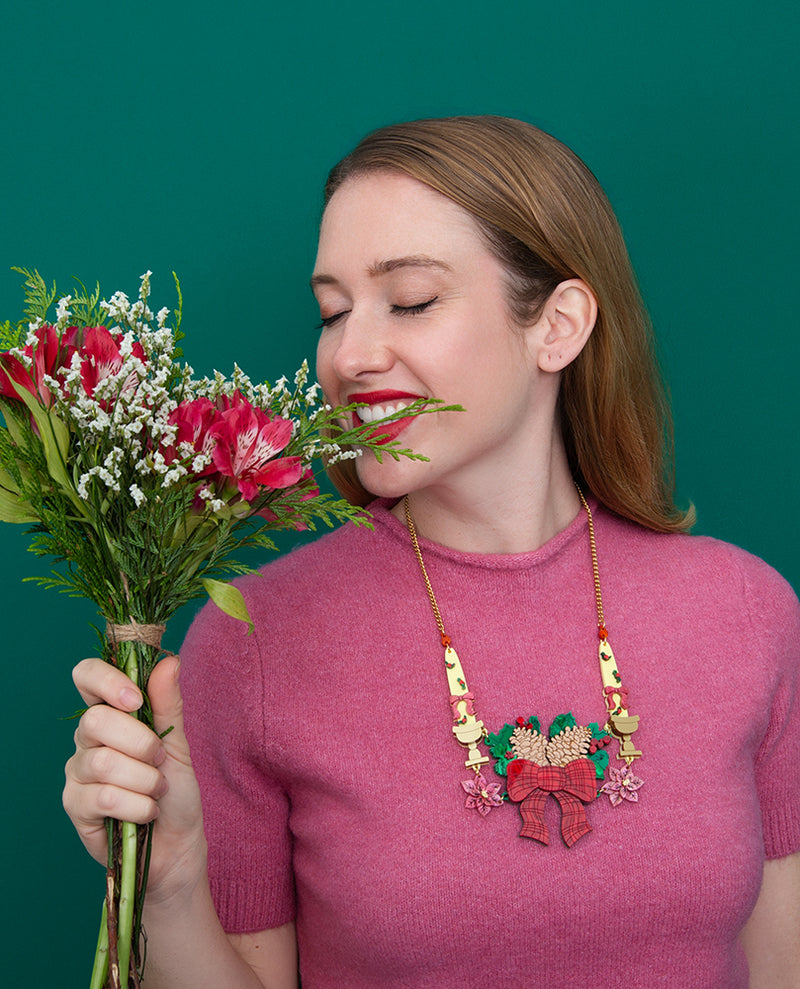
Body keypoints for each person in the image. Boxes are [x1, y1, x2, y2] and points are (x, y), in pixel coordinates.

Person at [63, 116, 800, 988]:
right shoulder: (254, 640)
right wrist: (169, 888)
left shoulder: (745, 611)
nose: (351, 354)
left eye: (409, 299)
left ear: (557, 326)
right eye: (332, 312)